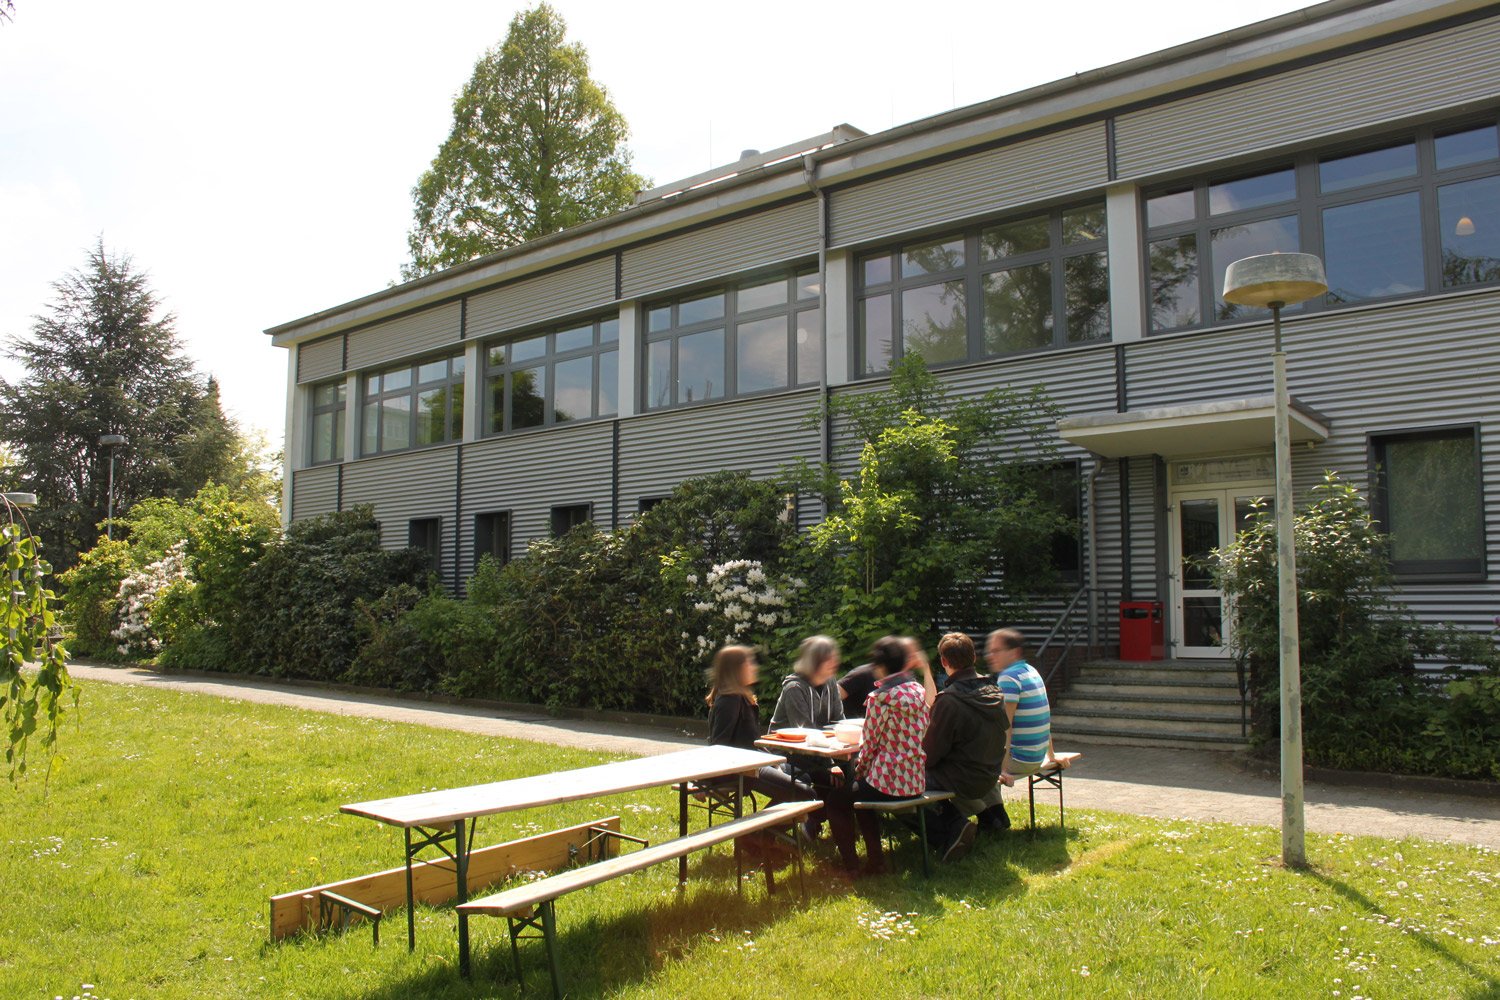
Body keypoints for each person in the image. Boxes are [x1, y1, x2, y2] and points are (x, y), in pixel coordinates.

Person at [849, 635, 932, 875]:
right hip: (916, 781)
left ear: (881, 666)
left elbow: (870, 745)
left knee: (843, 796)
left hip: (888, 783)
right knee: (857, 791)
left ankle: (872, 861)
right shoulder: (917, 691)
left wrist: (858, 773)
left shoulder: (880, 699)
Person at [923, 632, 1007, 861]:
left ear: (944, 662)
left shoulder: (948, 700)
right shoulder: (994, 690)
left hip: (963, 780)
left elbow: (929, 756)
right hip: (990, 774)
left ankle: (952, 827)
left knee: (904, 782)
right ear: (974, 657)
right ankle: (993, 816)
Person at [704, 645, 808, 804]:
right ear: (736, 670)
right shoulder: (729, 700)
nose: (754, 667)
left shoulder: (741, 697)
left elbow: (752, 740)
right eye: (749, 663)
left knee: (803, 777)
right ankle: (760, 830)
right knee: (804, 793)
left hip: (756, 761)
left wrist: (773, 761)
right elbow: (719, 746)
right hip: (743, 769)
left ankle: (770, 826)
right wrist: (705, 781)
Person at [986, 628, 1055, 823]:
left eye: (996, 651)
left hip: (1021, 758)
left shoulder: (1009, 678)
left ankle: (993, 819)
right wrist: (1052, 756)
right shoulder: (1031, 671)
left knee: (975, 767)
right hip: (1036, 755)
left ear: (1014, 652)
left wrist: (1003, 769)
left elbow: (1005, 727)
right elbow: (1046, 717)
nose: (990, 656)